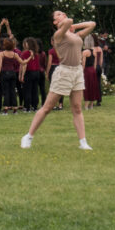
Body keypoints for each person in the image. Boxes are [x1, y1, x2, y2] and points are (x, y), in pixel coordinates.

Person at [21, 10, 95, 151]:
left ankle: (83, 142)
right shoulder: (58, 35)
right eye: (59, 14)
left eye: (63, 13)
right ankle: (28, 136)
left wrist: (73, 27)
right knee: (47, 108)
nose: (63, 15)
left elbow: (92, 24)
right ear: (55, 22)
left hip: (77, 71)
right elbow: (68, 22)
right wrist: (67, 24)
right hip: (64, 72)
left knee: (77, 108)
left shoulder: (75, 34)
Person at [0, 38, 27, 114]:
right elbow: (22, 62)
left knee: (6, 92)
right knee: (13, 91)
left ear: (5, 45)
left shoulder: (2, 53)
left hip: (4, 73)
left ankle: (5, 109)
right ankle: (15, 109)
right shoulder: (15, 54)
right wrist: (29, 58)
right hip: (13, 73)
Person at [22, 37, 45, 112]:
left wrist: (22, 75)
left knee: (27, 90)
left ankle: (27, 107)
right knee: (35, 90)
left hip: (29, 73)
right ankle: (35, 106)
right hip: (36, 73)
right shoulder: (36, 54)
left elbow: (24, 64)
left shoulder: (25, 53)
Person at [45, 41, 64, 111]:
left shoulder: (51, 51)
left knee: (53, 86)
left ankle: (54, 104)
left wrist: (47, 72)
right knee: (60, 86)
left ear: (52, 42)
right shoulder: (62, 50)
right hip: (61, 67)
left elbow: (49, 62)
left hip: (53, 68)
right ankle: (60, 104)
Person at [82, 45, 101, 109]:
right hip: (92, 70)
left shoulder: (85, 52)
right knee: (93, 87)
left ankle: (86, 106)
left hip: (87, 70)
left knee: (87, 87)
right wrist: (94, 70)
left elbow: (83, 63)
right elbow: (95, 63)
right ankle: (91, 105)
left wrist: (82, 71)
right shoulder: (94, 52)